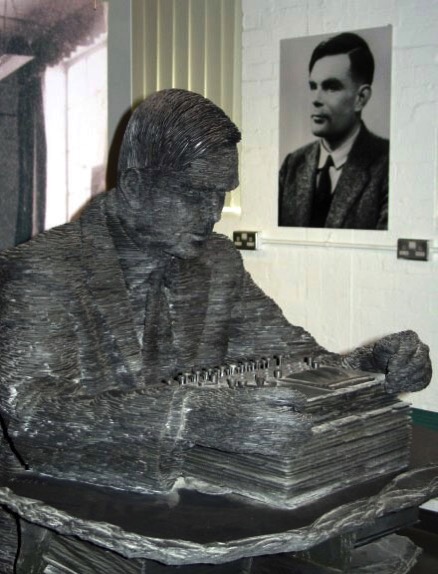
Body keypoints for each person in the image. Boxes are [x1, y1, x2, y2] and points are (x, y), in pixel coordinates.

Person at [0, 89, 430, 490]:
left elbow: (288, 356)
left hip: (197, 493)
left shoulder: (217, 261)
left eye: (221, 195)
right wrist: (194, 415)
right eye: (194, 193)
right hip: (66, 499)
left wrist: (366, 366)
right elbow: (33, 415)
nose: (213, 215)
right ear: (133, 187)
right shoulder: (43, 271)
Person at [279, 32, 389, 229]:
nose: (316, 99)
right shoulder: (292, 165)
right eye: (313, 86)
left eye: (331, 87)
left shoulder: (388, 165)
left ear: (361, 98)